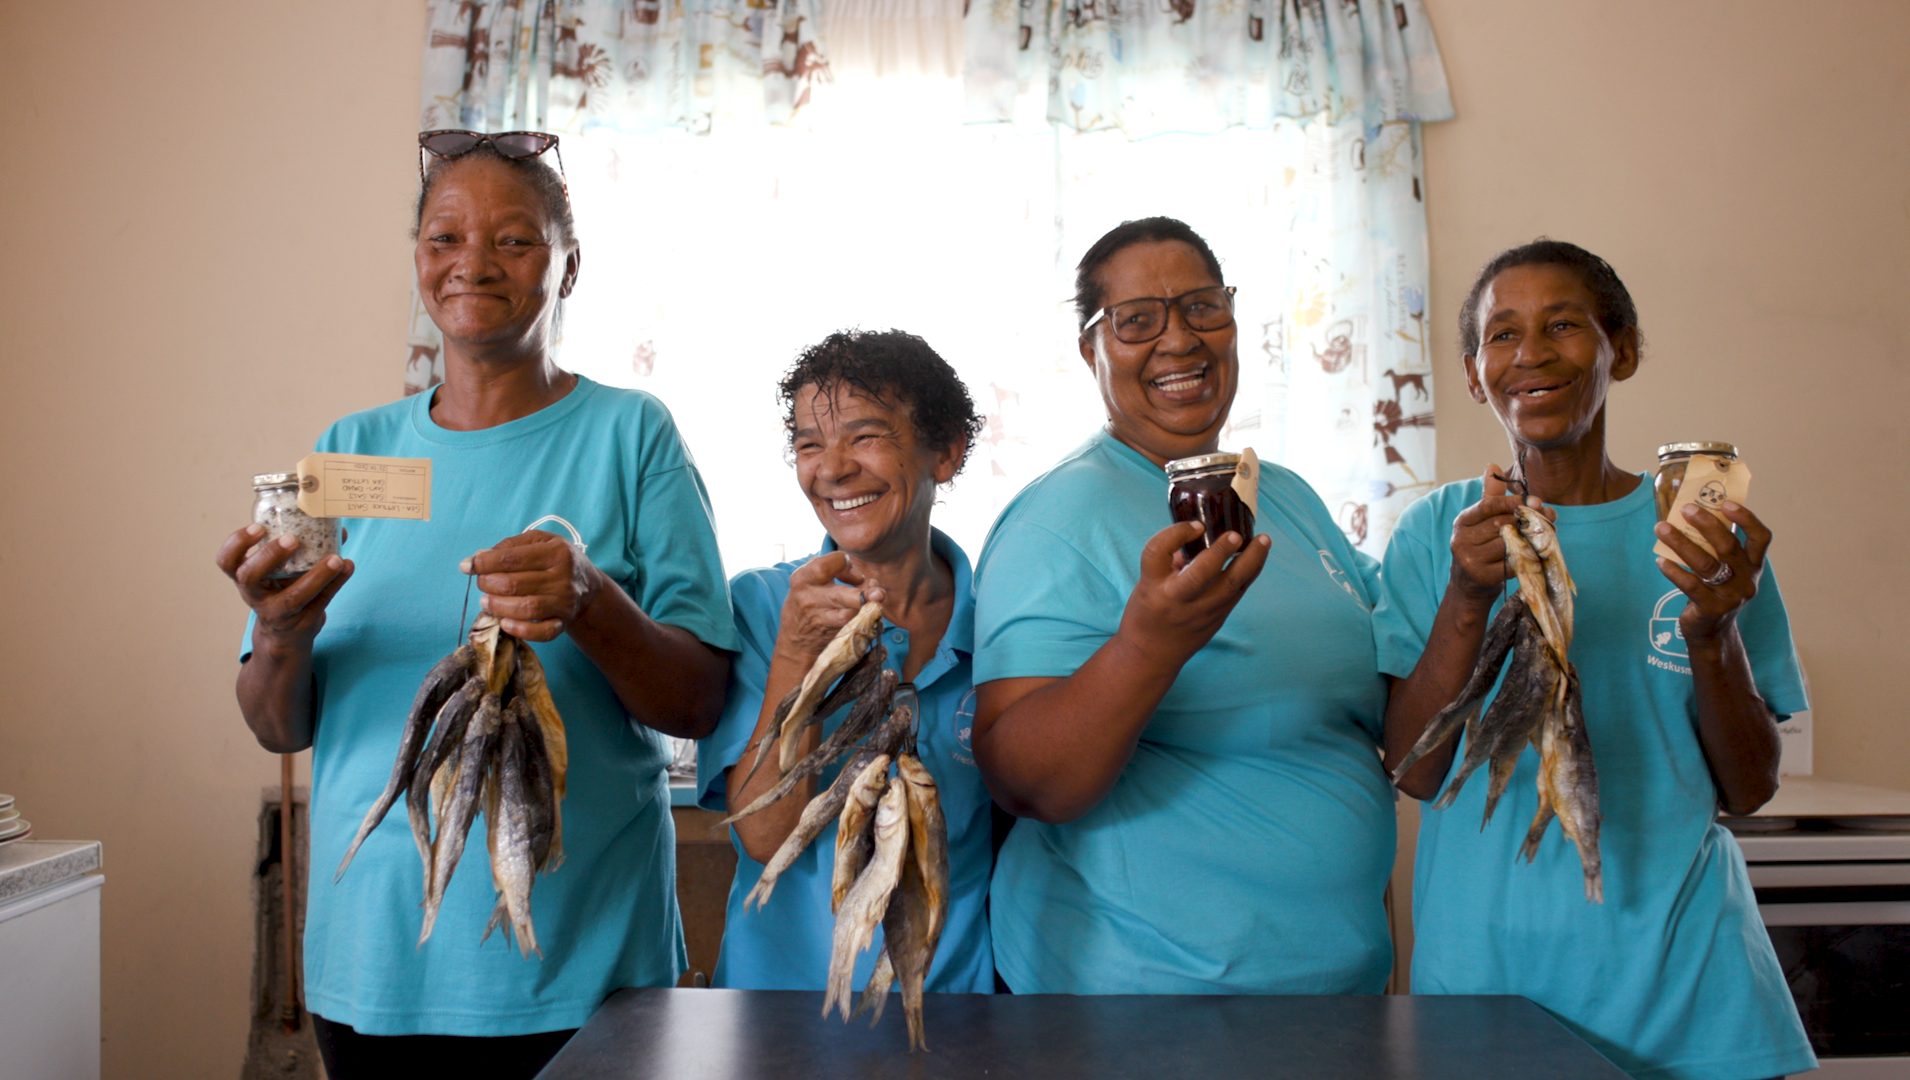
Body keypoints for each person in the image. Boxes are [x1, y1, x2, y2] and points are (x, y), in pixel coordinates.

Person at [214, 131, 737, 1078]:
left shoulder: (632, 435)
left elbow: (698, 703)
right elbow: (276, 725)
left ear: (568, 268)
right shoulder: (351, 453)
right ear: (418, 261)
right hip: (373, 971)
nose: (474, 264)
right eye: (444, 238)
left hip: (582, 967)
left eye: (516, 240)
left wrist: (591, 600)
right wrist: (280, 634)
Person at [1374, 240, 1814, 1079]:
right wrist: (1467, 601)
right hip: (1487, 991)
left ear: (1625, 349)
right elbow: (1412, 769)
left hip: (1690, 996)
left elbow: (1751, 788)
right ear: (1474, 374)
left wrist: (1713, 631)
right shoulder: (1439, 534)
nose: (1531, 353)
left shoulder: (1700, 534)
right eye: (1502, 335)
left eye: (1564, 325)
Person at [971, 217, 1395, 994]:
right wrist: (1149, 645)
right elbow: (1024, 782)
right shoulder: (1056, 520)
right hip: (1145, 1002)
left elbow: (1393, 699)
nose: (1179, 340)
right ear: (1089, 349)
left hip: (1335, 993)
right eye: (1136, 321)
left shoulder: (1287, 498)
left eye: (1202, 307)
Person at [695, 329, 995, 994]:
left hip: (956, 1010)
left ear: (946, 453)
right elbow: (767, 839)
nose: (830, 467)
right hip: (780, 1009)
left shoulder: (1002, 621)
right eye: (807, 443)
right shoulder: (762, 605)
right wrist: (799, 654)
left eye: (864, 436)